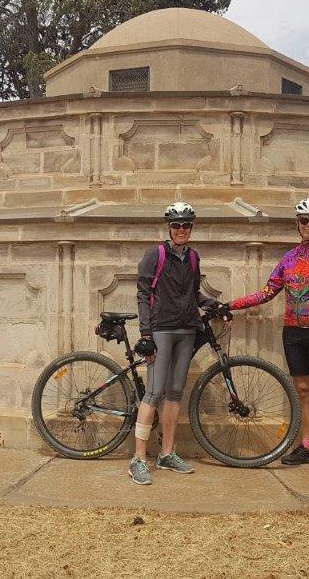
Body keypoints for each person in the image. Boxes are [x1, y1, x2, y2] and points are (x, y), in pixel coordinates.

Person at [226, 197, 309, 478]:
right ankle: (306, 444)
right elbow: (267, 293)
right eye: (303, 220)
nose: (308, 225)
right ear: (297, 223)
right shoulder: (289, 259)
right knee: (303, 390)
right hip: (292, 331)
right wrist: (230, 305)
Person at [129, 201, 221, 485]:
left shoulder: (193, 257)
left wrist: (215, 305)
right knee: (154, 392)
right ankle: (139, 459)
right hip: (161, 330)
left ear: (191, 228)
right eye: (176, 225)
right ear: (168, 228)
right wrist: (146, 334)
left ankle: (167, 453)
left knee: (176, 392)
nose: (181, 230)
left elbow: (193, 295)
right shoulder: (154, 254)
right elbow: (143, 294)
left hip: (187, 330)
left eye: (186, 225)